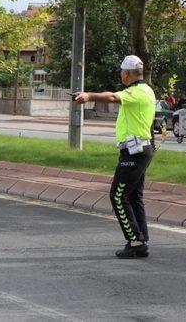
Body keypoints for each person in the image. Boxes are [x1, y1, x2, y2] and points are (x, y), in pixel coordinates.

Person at [74, 55, 156, 259]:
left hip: (134, 152)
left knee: (118, 196)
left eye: (121, 71)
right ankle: (141, 240)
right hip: (140, 150)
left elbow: (112, 97)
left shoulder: (137, 92)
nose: (120, 75)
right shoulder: (146, 90)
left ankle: (135, 241)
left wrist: (89, 96)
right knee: (134, 196)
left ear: (127, 73)